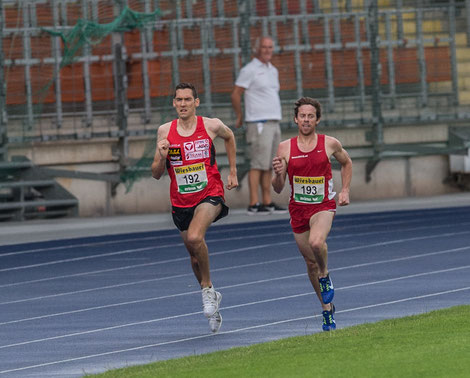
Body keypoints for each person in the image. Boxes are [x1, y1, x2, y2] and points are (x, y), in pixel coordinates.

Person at [151, 82, 238, 333]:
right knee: (193, 254)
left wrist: (232, 171)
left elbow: (230, 136)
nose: (183, 104)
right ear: (174, 104)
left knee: (195, 236)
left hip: (210, 194)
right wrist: (163, 156)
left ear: (196, 102)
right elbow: (156, 174)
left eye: (187, 99)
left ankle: (208, 288)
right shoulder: (165, 131)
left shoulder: (210, 125)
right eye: (178, 100)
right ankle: (209, 293)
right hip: (181, 201)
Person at [272, 97, 352, 331]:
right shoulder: (285, 147)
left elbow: (346, 163)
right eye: (302, 116)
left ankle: (325, 275)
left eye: (310, 116)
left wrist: (344, 190)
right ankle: (327, 310)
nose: (306, 120)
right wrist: (278, 174)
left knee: (317, 243)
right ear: (296, 119)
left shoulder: (330, 143)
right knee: (309, 263)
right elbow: (277, 187)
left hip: (323, 205)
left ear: (317, 119)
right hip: (298, 209)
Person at [231, 35, 287, 215]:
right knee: (257, 164)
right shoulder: (250, 69)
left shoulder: (273, 70)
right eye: (264, 47)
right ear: (257, 49)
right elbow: (236, 94)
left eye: (270, 47)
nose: (268, 50)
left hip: (273, 121)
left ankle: (267, 201)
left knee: (269, 164)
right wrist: (240, 116)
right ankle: (253, 203)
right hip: (259, 123)